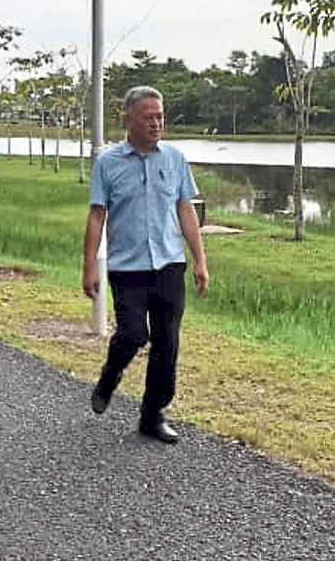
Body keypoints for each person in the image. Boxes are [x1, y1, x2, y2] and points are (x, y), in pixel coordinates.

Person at [82, 86, 210, 444]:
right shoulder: (108, 163)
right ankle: (111, 374)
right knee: (134, 334)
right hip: (128, 268)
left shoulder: (174, 158)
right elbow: (96, 215)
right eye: (148, 117)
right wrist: (89, 265)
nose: (156, 123)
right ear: (128, 120)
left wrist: (200, 260)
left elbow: (186, 210)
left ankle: (152, 413)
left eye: (160, 116)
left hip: (170, 264)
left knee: (167, 342)